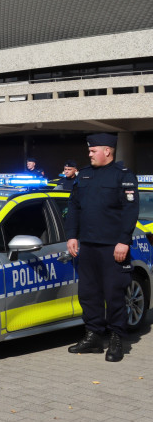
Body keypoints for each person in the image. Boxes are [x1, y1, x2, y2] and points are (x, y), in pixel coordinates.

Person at [65, 133, 139, 362]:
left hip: (112, 247)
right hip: (87, 246)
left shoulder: (123, 176)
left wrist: (124, 241)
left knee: (114, 294)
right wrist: (72, 236)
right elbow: (74, 207)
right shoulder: (84, 175)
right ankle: (94, 336)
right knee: (88, 294)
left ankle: (117, 339)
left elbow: (130, 210)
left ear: (107, 151)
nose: (89, 154)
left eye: (92, 150)